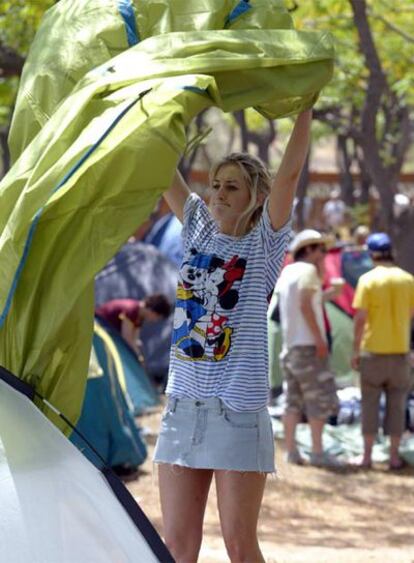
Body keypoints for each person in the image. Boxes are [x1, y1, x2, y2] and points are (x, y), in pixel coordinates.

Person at [152, 110, 312, 563]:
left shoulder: (265, 242)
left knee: (240, 547)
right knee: (178, 547)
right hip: (182, 407)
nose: (219, 193)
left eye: (232, 186)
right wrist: (154, 105)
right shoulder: (197, 227)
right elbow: (162, 165)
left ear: (256, 197)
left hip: (236, 411)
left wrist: (304, 109)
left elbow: (291, 174)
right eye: (216, 184)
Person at [275, 229, 341, 467]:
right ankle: (317, 451)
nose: (324, 255)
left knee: (292, 401)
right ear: (310, 249)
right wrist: (320, 340)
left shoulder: (288, 272)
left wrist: (328, 295)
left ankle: (291, 451)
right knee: (318, 400)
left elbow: (304, 302)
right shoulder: (309, 271)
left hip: (290, 346)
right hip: (308, 347)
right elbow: (304, 304)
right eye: (321, 250)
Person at [352, 233, 414, 470]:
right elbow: (409, 314)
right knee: (397, 405)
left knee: (369, 404)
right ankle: (394, 457)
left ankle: (367, 457)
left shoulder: (367, 280)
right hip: (399, 352)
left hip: (372, 352)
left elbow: (360, 320)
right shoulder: (407, 279)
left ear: (372, 254)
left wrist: (355, 351)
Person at [95, 295, 171, 362]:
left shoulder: (140, 317)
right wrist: (138, 358)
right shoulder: (132, 310)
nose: (155, 320)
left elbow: (135, 341)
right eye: (157, 317)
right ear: (153, 311)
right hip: (97, 329)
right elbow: (127, 339)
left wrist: (140, 356)